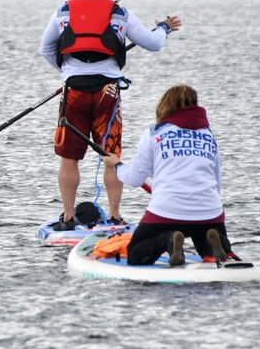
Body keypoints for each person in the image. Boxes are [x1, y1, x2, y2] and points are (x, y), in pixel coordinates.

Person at [38, 0, 181, 231]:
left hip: (73, 93)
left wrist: (68, 71)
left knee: (69, 158)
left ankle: (68, 217)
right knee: (111, 155)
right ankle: (115, 216)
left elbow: (45, 49)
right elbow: (153, 44)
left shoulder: (64, 10)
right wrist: (163, 27)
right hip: (108, 93)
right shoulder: (120, 13)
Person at [101, 85, 236, 266]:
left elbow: (134, 179)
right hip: (209, 210)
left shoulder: (154, 133)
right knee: (203, 234)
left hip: (167, 211)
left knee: (135, 254)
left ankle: (169, 239)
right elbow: (217, 185)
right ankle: (215, 245)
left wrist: (116, 165)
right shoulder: (209, 135)